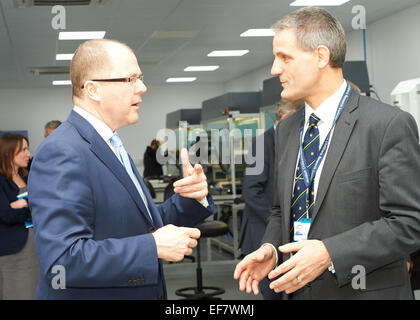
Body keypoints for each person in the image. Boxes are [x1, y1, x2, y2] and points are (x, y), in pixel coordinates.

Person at [234, 7, 420, 300]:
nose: (274, 69)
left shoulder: (387, 124)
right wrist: (271, 247)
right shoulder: (286, 130)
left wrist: (330, 252)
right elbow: (281, 210)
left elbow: (409, 221)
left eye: (285, 57)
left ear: (321, 56)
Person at [28, 39, 215, 300]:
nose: (143, 87)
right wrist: (151, 247)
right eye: (130, 79)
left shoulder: (110, 144)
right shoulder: (61, 151)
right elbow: (62, 261)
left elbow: (140, 225)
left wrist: (192, 198)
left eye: (140, 78)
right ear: (93, 90)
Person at [238, 99, 303, 300]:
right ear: (284, 118)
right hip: (263, 233)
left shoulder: (290, 141)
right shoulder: (262, 143)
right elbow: (251, 192)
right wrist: (280, 222)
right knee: (273, 293)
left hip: (283, 236)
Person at [0, 133, 39, 299]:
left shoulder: (27, 176)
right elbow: (7, 215)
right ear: (8, 152)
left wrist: (24, 204)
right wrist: (31, 206)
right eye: (23, 150)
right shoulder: (1, 181)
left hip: (35, 248)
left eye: (27, 149)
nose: (28, 154)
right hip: (14, 252)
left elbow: (42, 206)